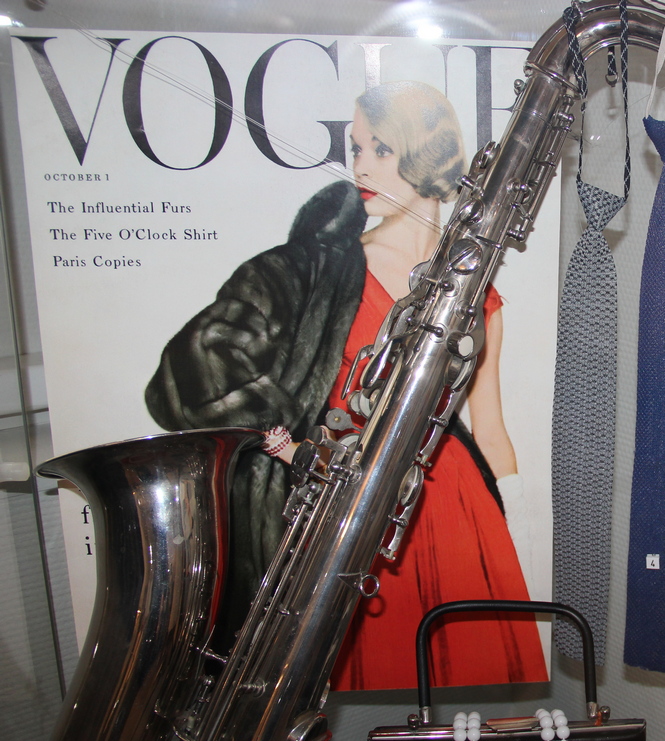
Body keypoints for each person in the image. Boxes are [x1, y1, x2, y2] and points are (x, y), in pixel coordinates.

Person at [145, 81, 546, 690]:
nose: (359, 167)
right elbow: (198, 367)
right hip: (353, 509)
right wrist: (296, 442)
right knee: (348, 698)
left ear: (424, 156)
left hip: (457, 513)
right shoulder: (316, 269)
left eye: (380, 149)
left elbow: (488, 429)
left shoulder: (477, 293)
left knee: (477, 695)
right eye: (357, 148)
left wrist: (517, 537)